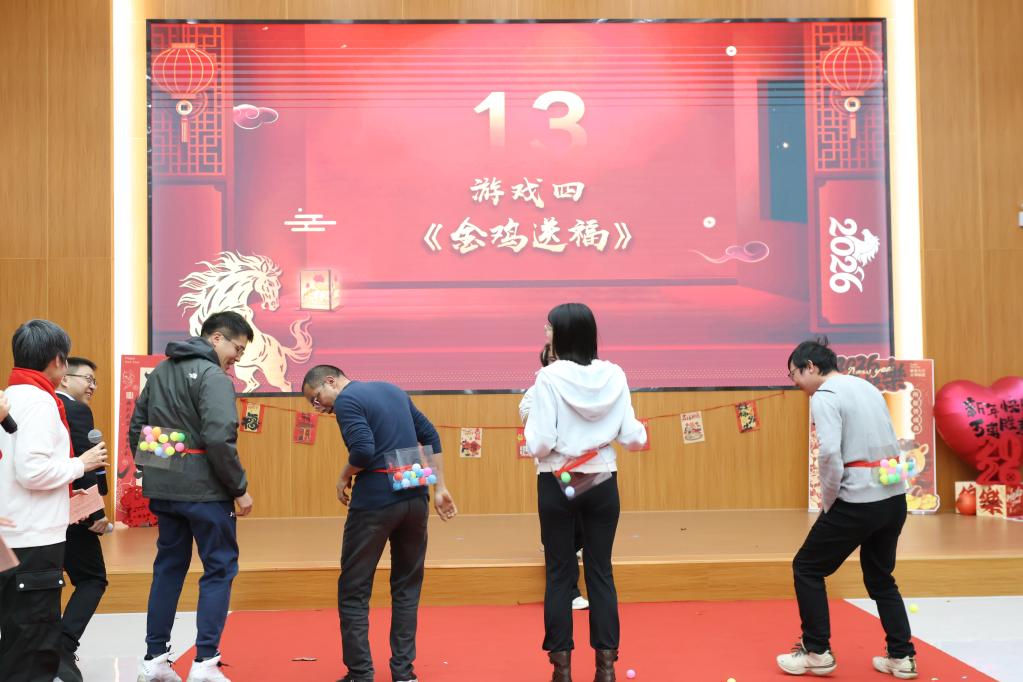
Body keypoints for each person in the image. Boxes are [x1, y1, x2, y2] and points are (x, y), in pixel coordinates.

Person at [301, 365, 458, 682]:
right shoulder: (392, 389)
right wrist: (440, 487)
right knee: (407, 586)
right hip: (415, 494)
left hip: (375, 500)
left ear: (331, 381)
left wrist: (342, 476)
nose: (318, 408)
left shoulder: (347, 399)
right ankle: (404, 673)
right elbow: (430, 435)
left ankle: (360, 673)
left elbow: (363, 450)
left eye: (316, 398)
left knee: (354, 588)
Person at [777, 338, 918, 679]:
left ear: (811, 367)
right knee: (881, 578)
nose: (795, 383)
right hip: (893, 497)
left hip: (858, 500)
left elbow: (829, 454)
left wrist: (829, 501)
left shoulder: (824, 396)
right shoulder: (866, 387)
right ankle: (902, 656)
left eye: (794, 374)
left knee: (807, 568)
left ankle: (816, 652)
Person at [523, 303, 647, 682]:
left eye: (549, 328)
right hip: (602, 478)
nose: (545, 334)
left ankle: (561, 672)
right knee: (600, 572)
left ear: (563, 334)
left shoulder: (548, 377)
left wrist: (533, 434)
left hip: (558, 479)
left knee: (560, 574)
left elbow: (540, 443)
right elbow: (632, 437)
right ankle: (606, 669)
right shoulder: (615, 374)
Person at [131, 311, 255, 682]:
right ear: (216, 338)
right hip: (206, 494)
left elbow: (137, 428)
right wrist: (239, 489)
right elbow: (218, 438)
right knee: (219, 569)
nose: (238, 358)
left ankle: (155, 660)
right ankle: (205, 663)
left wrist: (159, 470)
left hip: (165, 490)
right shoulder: (213, 376)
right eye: (238, 348)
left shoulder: (161, 371)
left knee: (168, 568)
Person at [0, 320, 108, 682]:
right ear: (59, 361)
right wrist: (81, 464)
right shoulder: (40, 402)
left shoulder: (10, 396)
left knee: (16, 640)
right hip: (33, 537)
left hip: (12, 532)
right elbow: (32, 472)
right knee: (33, 646)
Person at [521, 343, 588, 611]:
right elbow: (532, 423)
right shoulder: (536, 391)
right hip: (553, 471)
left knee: (580, 529)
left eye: (560, 357)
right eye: (551, 359)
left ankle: (572, 562)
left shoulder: (583, 388)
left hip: (585, 466)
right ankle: (570, 592)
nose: (556, 362)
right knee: (558, 536)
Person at [55, 356, 109, 681]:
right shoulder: (74, 410)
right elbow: (84, 466)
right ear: (64, 377)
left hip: (37, 513)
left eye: (94, 381)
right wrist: (96, 513)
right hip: (73, 510)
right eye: (87, 379)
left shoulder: (37, 406)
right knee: (92, 579)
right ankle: (63, 646)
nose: (92, 386)